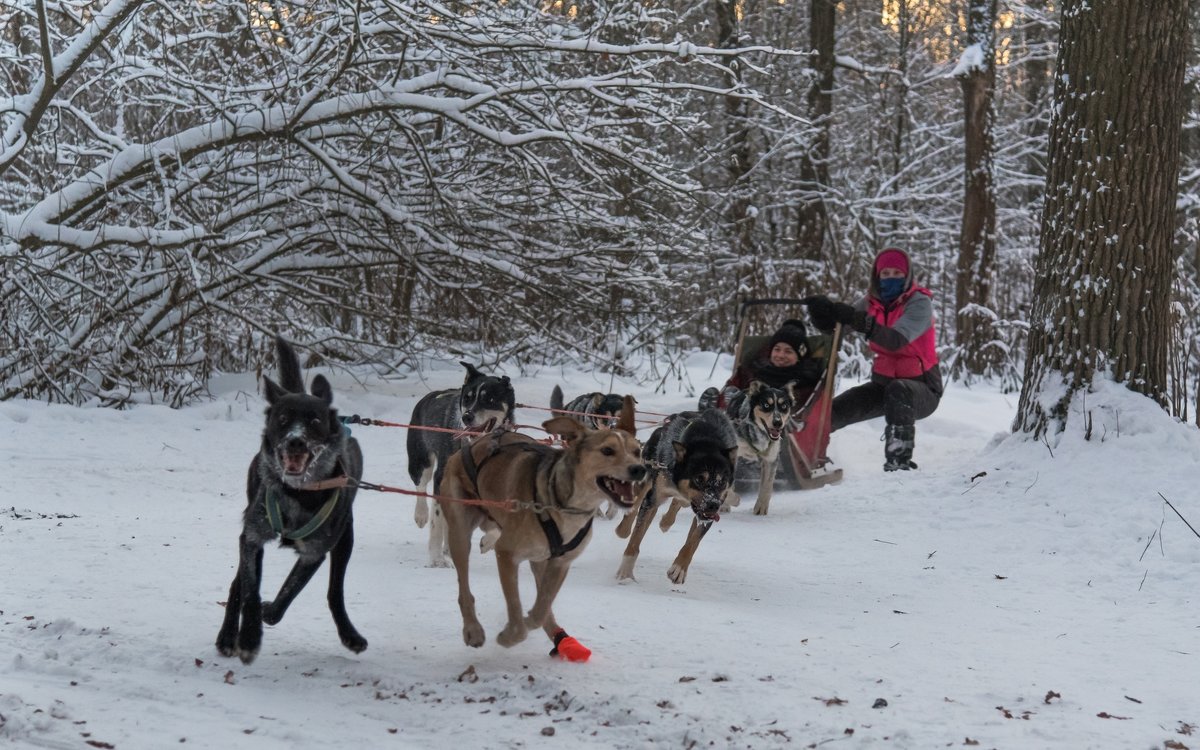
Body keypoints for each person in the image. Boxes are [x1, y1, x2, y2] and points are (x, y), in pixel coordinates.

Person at [803, 247, 942, 471]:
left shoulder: (919, 303)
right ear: (877, 276)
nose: (891, 279)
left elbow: (896, 339)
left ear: (907, 277)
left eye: (897, 274)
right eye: (885, 274)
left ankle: (899, 461)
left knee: (900, 389)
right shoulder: (870, 303)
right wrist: (823, 316)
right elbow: (839, 328)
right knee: (834, 410)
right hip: (883, 386)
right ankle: (805, 457)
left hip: (923, 389)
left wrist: (860, 322)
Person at [699, 319, 824, 410]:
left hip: (778, 421)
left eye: (788, 351)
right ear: (770, 352)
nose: (780, 355)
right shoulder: (757, 369)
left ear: (799, 357)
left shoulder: (805, 378)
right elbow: (737, 382)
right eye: (777, 349)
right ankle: (717, 411)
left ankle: (734, 410)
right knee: (736, 392)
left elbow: (803, 403)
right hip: (745, 414)